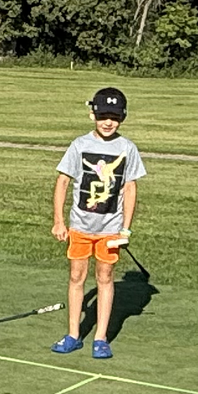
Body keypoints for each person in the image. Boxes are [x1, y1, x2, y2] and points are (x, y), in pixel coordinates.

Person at [52, 86, 145, 360]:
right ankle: (73, 334)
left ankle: (101, 338)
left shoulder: (127, 148)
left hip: (110, 229)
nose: (108, 122)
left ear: (122, 118)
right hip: (80, 226)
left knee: (105, 278)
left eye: (114, 117)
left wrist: (125, 228)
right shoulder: (80, 145)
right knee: (76, 277)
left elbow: (130, 188)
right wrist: (59, 221)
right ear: (93, 114)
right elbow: (63, 181)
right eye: (103, 115)